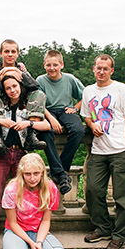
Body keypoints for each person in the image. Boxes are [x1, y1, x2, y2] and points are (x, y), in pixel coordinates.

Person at [0, 75, 51, 249]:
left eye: (15, 86)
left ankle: (25, 230)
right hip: (0, 154)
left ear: (20, 86)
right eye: (8, 88)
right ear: (4, 90)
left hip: (21, 153)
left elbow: (46, 126)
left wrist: (29, 124)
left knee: (24, 191)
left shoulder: (27, 108)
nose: (12, 90)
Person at [80, 54, 125, 249]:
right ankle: (103, 228)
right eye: (98, 68)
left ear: (111, 71)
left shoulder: (121, 89)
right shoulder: (88, 91)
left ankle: (119, 235)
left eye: (106, 68)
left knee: (122, 197)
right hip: (98, 150)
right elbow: (87, 115)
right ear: (94, 69)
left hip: (119, 150)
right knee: (93, 191)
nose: (101, 71)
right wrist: (92, 124)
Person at [1, 153, 67, 249]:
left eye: (36, 173)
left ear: (42, 173)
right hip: (16, 229)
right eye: (28, 174)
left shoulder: (50, 188)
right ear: (22, 174)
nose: (32, 178)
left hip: (38, 230)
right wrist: (32, 243)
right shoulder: (12, 189)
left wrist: (39, 243)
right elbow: (13, 223)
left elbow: (46, 221)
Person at [0, 39, 46, 153]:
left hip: (19, 105)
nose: (10, 54)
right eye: (6, 51)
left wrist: (17, 72)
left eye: (13, 51)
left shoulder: (21, 69)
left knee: (39, 94)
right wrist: (1, 75)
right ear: (1, 53)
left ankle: (32, 135)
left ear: (17, 53)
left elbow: (35, 87)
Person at [37, 50, 85, 195]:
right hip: (47, 111)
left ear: (61, 65)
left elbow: (86, 96)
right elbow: (38, 104)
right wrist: (51, 119)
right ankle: (62, 175)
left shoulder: (70, 79)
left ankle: (60, 170)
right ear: (44, 65)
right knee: (46, 132)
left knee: (78, 130)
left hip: (65, 110)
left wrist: (75, 108)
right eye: (49, 65)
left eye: (55, 65)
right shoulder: (40, 80)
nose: (52, 68)